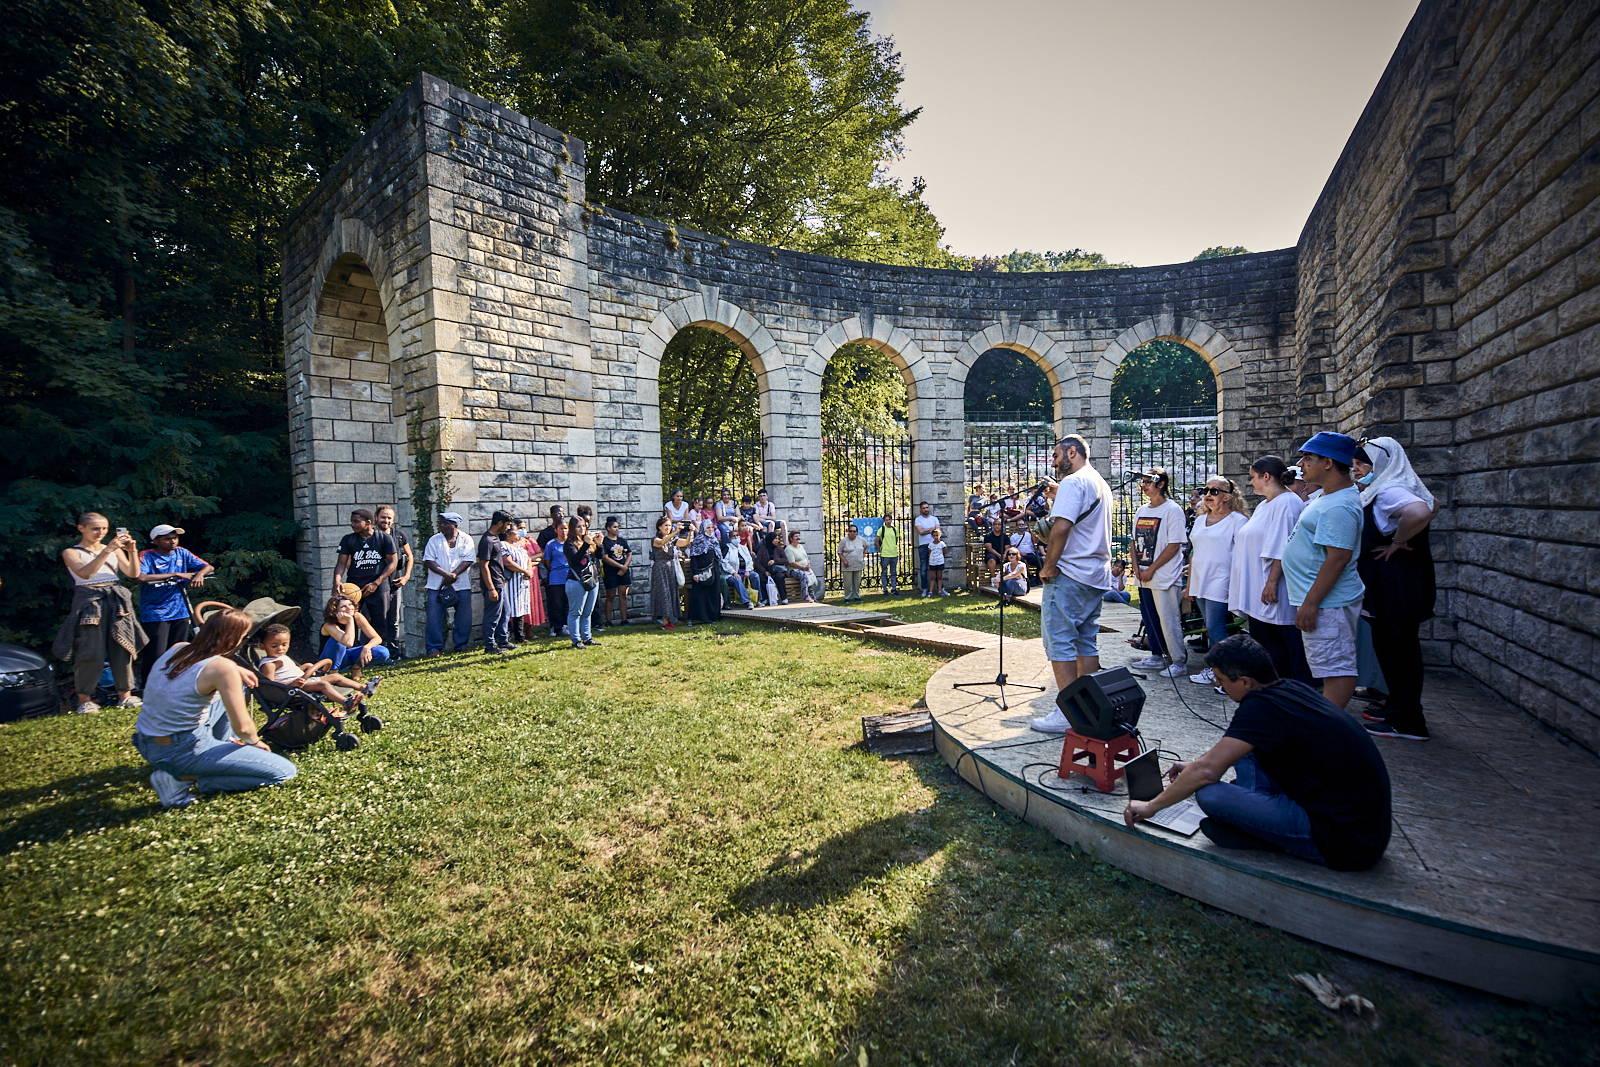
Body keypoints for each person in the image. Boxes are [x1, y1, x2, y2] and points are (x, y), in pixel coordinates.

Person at [1123, 635, 1392, 871]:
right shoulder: (1289, 689)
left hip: (1343, 840)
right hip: (1361, 824)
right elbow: (1217, 758)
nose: (1219, 685)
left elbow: (1208, 772)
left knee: (1210, 794)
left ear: (1244, 681)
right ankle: (1250, 821)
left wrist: (1151, 806)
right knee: (1247, 747)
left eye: (1221, 680)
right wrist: (1194, 765)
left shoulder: (1260, 709)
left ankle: (1257, 832)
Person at [132, 608, 296, 809]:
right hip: (181, 750)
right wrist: (254, 742)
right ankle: (182, 779)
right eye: (243, 638)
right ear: (233, 639)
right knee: (283, 771)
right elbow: (243, 727)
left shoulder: (179, 648)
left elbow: (205, 667)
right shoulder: (222, 669)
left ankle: (222, 748)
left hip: (147, 742)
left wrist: (237, 669)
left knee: (238, 684)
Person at [1030, 434, 1114, 733]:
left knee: (1060, 643)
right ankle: (1090, 707)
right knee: (1085, 642)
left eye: (1056, 456)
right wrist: (1059, 495)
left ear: (1072, 452)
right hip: (1095, 575)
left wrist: (1049, 566)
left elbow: (1061, 528)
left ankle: (1068, 713)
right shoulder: (1098, 482)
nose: (1054, 462)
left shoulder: (1073, 482)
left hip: (1071, 574)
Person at [1357, 436, 1439, 741]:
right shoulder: (1398, 486)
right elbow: (1433, 504)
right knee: (1396, 649)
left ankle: (1407, 720)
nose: (1356, 468)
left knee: (1398, 651)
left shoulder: (1389, 490)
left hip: (1394, 586)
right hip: (1399, 584)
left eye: (1362, 463)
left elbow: (1420, 512)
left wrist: (1398, 542)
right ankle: (1398, 706)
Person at [1283, 432, 1365, 709]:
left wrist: (1311, 603)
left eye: (1308, 458)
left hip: (1328, 603)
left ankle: (1328, 725)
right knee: (1327, 665)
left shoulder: (1339, 505)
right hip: (1321, 600)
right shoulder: (1328, 497)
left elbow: (1338, 559)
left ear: (1328, 462)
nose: (1301, 464)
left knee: (1336, 669)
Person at [1228, 458, 1313, 686]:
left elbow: (1283, 548)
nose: (1250, 482)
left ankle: (1280, 689)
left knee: (1275, 646)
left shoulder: (1287, 503)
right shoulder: (1266, 504)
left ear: (1266, 476)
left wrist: (1272, 582)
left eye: (1252, 477)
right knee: (1263, 642)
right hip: (1258, 586)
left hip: (1272, 588)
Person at [55, 512, 145, 713]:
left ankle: (125, 696)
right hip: (90, 602)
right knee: (90, 651)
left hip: (116, 600)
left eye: (104, 528)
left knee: (122, 648)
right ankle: (84, 700)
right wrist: (108, 550)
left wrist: (132, 551)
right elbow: (85, 573)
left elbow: (133, 573)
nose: (100, 532)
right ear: (81, 528)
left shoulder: (113, 549)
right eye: (95, 528)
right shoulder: (71, 552)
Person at [1183, 476, 1250, 684]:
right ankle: (1219, 669)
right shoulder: (1200, 519)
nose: (1208, 495)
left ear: (1228, 497)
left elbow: (1243, 554)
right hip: (1200, 579)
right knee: (1210, 626)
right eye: (1206, 490)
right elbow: (1194, 552)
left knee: (1216, 626)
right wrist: (1189, 585)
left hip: (1221, 579)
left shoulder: (1237, 521)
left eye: (1214, 491)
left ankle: (1222, 673)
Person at [1130, 468, 1190, 679]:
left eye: (1148, 482)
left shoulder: (1172, 510)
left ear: (1161, 484)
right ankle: (1157, 655)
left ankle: (1178, 660)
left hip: (1163, 576)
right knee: (1150, 618)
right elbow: (1134, 541)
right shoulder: (1141, 510)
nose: (1144, 485)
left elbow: (1174, 545)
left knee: (1168, 619)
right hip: (1143, 576)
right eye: (1143, 482)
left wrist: (1152, 569)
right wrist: (1136, 568)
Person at [136, 524, 212, 685]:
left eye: (175, 538)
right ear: (155, 541)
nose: (172, 542)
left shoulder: (181, 552)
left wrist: (200, 574)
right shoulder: (147, 555)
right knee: (155, 654)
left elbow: (208, 566)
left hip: (180, 610)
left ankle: (174, 686)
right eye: (167, 539)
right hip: (155, 612)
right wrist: (176, 574)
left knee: (178, 652)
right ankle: (148, 688)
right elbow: (140, 577)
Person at [255, 623, 377, 708]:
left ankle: (364, 688)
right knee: (323, 685)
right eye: (274, 646)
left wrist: (304, 667)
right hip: (292, 689)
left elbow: (287, 672)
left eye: (284, 645)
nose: (280, 648)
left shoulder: (280, 657)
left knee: (335, 677)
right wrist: (291, 685)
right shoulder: (269, 664)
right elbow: (271, 687)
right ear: (262, 646)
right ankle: (346, 703)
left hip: (302, 680)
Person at [332, 509, 398, 641]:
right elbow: (341, 563)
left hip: (378, 585)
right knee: (348, 618)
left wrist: (377, 582)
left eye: (356, 521)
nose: (352, 524)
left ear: (368, 522)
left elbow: (393, 562)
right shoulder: (348, 539)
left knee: (380, 621)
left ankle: (379, 650)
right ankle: (351, 648)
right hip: (354, 585)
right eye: (352, 521)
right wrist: (337, 581)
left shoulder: (384, 538)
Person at [422, 511, 475, 656]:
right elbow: (429, 560)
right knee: (434, 617)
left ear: (455, 525)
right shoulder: (434, 540)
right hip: (437, 585)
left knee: (464, 617)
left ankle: (461, 644)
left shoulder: (466, 539)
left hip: (461, 584)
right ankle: (433, 648)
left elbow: (469, 559)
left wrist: (454, 575)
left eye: (446, 523)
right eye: (441, 523)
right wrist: (446, 575)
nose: (442, 526)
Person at [373, 506, 414, 654]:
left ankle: (393, 652)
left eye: (389, 518)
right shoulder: (371, 536)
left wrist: (406, 576)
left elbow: (410, 557)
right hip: (376, 586)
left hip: (394, 584)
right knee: (377, 620)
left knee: (393, 620)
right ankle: (378, 652)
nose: (386, 520)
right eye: (383, 517)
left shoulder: (399, 535)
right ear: (376, 518)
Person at [318, 593, 389, 677]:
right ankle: (333, 674)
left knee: (382, 652)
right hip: (328, 661)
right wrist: (350, 620)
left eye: (350, 604)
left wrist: (367, 647)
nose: (349, 608)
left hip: (349, 655)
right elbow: (348, 643)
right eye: (343, 606)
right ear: (335, 610)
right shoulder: (329, 625)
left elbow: (377, 638)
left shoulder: (357, 616)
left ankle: (356, 667)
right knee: (338, 642)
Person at [477, 510, 515, 655]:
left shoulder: (495, 538)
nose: (508, 528)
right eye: (507, 525)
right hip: (493, 585)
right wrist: (491, 588)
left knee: (505, 612)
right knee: (492, 616)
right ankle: (489, 645)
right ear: (500, 523)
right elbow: (483, 564)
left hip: (500, 582)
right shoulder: (487, 540)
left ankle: (503, 641)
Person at [563, 514, 601, 648]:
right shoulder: (569, 543)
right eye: (578, 527)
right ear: (572, 529)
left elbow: (599, 556)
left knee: (587, 612)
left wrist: (599, 545)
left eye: (584, 526)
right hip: (576, 581)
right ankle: (576, 640)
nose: (582, 529)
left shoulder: (588, 542)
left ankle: (587, 638)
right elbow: (576, 559)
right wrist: (586, 544)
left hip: (592, 579)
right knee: (575, 612)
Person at [650, 516, 692, 628]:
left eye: (669, 525)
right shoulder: (655, 539)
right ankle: (665, 621)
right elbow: (662, 542)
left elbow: (685, 542)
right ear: (659, 527)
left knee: (671, 593)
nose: (668, 528)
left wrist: (690, 532)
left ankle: (669, 620)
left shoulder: (672, 539)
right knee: (663, 593)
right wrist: (676, 532)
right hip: (660, 569)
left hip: (670, 567)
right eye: (666, 525)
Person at [501, 522, 534, 645]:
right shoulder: (503, 545)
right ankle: (507, 636)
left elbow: (528, 558)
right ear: (508, 533)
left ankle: (519, 636)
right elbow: (507, 562)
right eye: (516, 531)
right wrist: (523, 571)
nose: (519, 533)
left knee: (520, 608)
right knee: (511, 608)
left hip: (522, 582)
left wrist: (529, 570)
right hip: (511, 582)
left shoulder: (518, 545)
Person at [686, 520, 724, 623]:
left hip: (713, 571)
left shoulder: (714, 540)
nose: (711, 530)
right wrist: (695, 573)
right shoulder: (697, 541)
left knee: (713, 594)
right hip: (701, 572)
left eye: (712, 527)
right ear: (703, 529)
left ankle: (712, 617)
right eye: (708, 528)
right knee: (699, 596)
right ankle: (695, 618)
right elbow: (694, 558)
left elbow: (721, 552)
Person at [600, 517, 634, 627]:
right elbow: (605, 558)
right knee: (610, 596)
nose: (617, 529)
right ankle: (608, 621)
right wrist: (620, 566)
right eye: (614, 527)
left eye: (618, 527)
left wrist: (625, 566)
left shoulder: (621, 541)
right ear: (608, 528)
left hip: (623, 571)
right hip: (610, 572)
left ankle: (624, 620)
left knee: (623, 595)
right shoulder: (605, 542)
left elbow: (629, 553)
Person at [544, 517, 571, 638]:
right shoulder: (551, 544)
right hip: (556, 578)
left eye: (565, 528)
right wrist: (555, 570)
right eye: (561, 529)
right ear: (556, 530)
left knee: (568, 603)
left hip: (570, 576)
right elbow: (547, 561)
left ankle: (567, 625)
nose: (563, 531)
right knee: (557, 604)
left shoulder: (571, 542)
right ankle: (557, 627)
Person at [718, 527, 756, 608]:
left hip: (744, 572)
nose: (736, 537)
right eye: (733, 536)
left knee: (755, 576)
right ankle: (747, 602)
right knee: (737, 580)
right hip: (730, 574)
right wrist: (734, 572)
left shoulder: (743, 548)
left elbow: (749, 560)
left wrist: (748, 570)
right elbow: (724, 562)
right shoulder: (727, 548)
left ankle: (757, 600)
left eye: (737, 535)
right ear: (730, 539)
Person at [754, 526, 791, 605]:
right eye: (775, 539)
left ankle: (784, 598)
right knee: (761, 578)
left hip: (776, 571)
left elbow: (785, 560)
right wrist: (765, 571)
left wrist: (775, 561)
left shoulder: (779, 549)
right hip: (766, 571)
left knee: (779, 577)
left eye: (778, 538)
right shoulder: (762, 549)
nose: (777, 540)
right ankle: (765, 598)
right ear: (770, 540)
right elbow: (758, 563)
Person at [784, 530, 823, 603]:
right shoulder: (789, 549)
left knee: (809, 578)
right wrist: (803, 568)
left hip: (804, 568)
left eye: (799, 536)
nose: (798, 537)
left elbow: (806, 557)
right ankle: (806, 597)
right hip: (793, 570)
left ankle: (813, 599)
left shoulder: (801, 546)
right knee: (803, 575)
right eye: (796, 536)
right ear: (791, 539)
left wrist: (808, 565)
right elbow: (792, 563)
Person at [913, 502, 941, 596]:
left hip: (934, 545)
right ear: (921, 509)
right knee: (923, 568)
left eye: (927, 507)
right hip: (923, 546)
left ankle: (940, 588)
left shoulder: (934, 519)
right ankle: (924, 589)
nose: (926, 509)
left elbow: (938, 531)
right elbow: (920, 531)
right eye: (924, 508)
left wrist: (928, 530)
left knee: (937, 566)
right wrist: (932, 529)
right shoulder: (918, 519)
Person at [837, 523, 867, 602]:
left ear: (857, 532)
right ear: (848, 532)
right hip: (848, 564)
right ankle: (847, 597)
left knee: (857, 582)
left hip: (858, 563)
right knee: (848, 582)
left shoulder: (860, 539)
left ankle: (856, 596)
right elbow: (839, 552)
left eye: (854, 531)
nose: (852, 533)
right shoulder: (844, 541)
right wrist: (844, 561)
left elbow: (867, 545)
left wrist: (864, 554)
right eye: (850, 531)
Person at [876, 513, 900, 595]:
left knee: (893, 572)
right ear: (884, 521)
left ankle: (894, 588)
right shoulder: (881, 530)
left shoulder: (895, 530)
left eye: (889, 519)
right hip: (885, 554)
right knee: (884, 572)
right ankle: (885, 589)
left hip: (893, 553)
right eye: (886, 520)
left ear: (891, 520)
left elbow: (896, 540)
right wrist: (881, 550)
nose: (888, 521)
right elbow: (876, 541)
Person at [983, 519, 1009, 586]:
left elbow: (1007, 547)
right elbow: (989, 548)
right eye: (995, 524)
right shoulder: (988, 536)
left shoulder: (1005, 536)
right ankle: (993, 578)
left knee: (1012, 557)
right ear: (993, 525)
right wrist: (999, 555)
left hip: (1003, 554)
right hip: (992, 554)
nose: (997, 526)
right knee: (991, 560)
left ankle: (1011, 578)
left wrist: (1005, 554)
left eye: (999, 524)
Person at [927, 528, 949, 596]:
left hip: (940, 562)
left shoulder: (942, 544)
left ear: (939, 535)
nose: (936, 537)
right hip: (932, 562)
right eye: (934, 536)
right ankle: (930, 591)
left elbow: (944, 552)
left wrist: (941, 558)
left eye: (937, 535)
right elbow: (929, 553)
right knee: (933, 577)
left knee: (939, 577)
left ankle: (940, 590)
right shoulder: (931, 544)